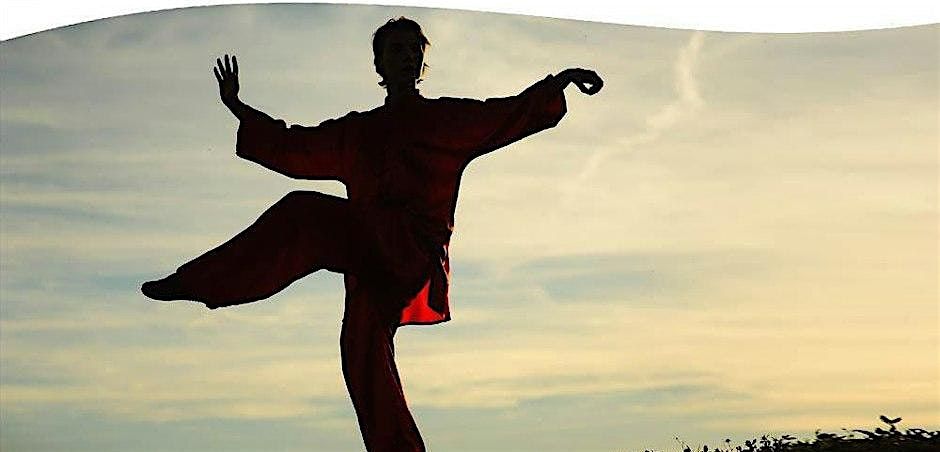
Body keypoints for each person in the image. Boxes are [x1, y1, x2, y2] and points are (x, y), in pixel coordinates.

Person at [141, 17, 602, 452]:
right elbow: (295, 145)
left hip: (409, 250)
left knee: (304, 213)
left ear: (422, 63)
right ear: (379, 64)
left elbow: (506, 113)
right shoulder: (359, 132)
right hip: (369, 262)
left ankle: (197, 282)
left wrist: (558, 83)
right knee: (360, 351)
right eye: (395, 51)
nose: (406, 58)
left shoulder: (445, 120)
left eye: (413, 51)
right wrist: (239, 108)